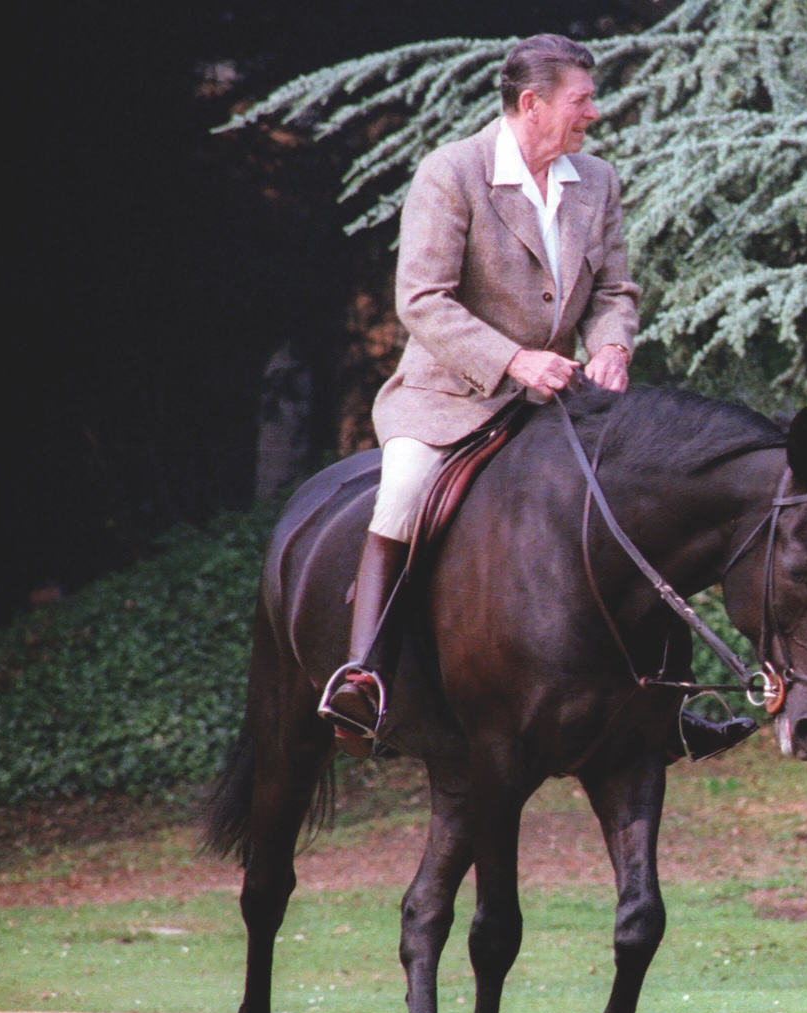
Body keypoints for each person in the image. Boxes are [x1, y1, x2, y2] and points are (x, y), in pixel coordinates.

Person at [319, 33, 756, 759]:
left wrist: (612, 342)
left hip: (557, 401)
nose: (593, 113)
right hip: (450, 396)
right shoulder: (451, 173)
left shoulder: (597, 180)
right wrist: (515, 359)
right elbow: (422, 300)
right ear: (534, 104)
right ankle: (363, 674)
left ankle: (672, 701)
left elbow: (614, 290)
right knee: (401, 490)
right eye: (582, 100)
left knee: (637, 504)